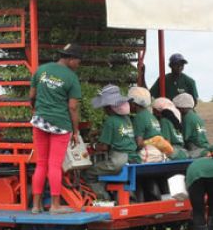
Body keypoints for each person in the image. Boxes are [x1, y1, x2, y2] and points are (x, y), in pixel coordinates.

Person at [28, 43, 82, 214]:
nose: (78, 65)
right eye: (78, 61)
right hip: (60, 124)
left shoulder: (41, 70)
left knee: (41, 163)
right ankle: (55, 205)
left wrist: (37, 112)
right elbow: (73, 107)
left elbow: (32, 96)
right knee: (54, 165)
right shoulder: (72, 78)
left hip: (40, 121)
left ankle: (36, 206)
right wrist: (75, 130)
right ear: (71, 59)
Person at [83, 85, 140, 200]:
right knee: (102, 168)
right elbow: (118, 133)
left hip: (118, 160)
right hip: (133, 157)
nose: (103, 109)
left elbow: (104, 147)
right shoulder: (127, 119)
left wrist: (92, 146)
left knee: (89, 172)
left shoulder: (110, 121)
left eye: (105, 107)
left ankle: (104, 199)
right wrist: (99, 132)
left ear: (110, 107)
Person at [173, 93, 212, 158]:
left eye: (177, 108)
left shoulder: (187, 118)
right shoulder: (196, 116)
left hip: (196, 149)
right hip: (205, 147)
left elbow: (184, 138)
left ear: (181, 107)